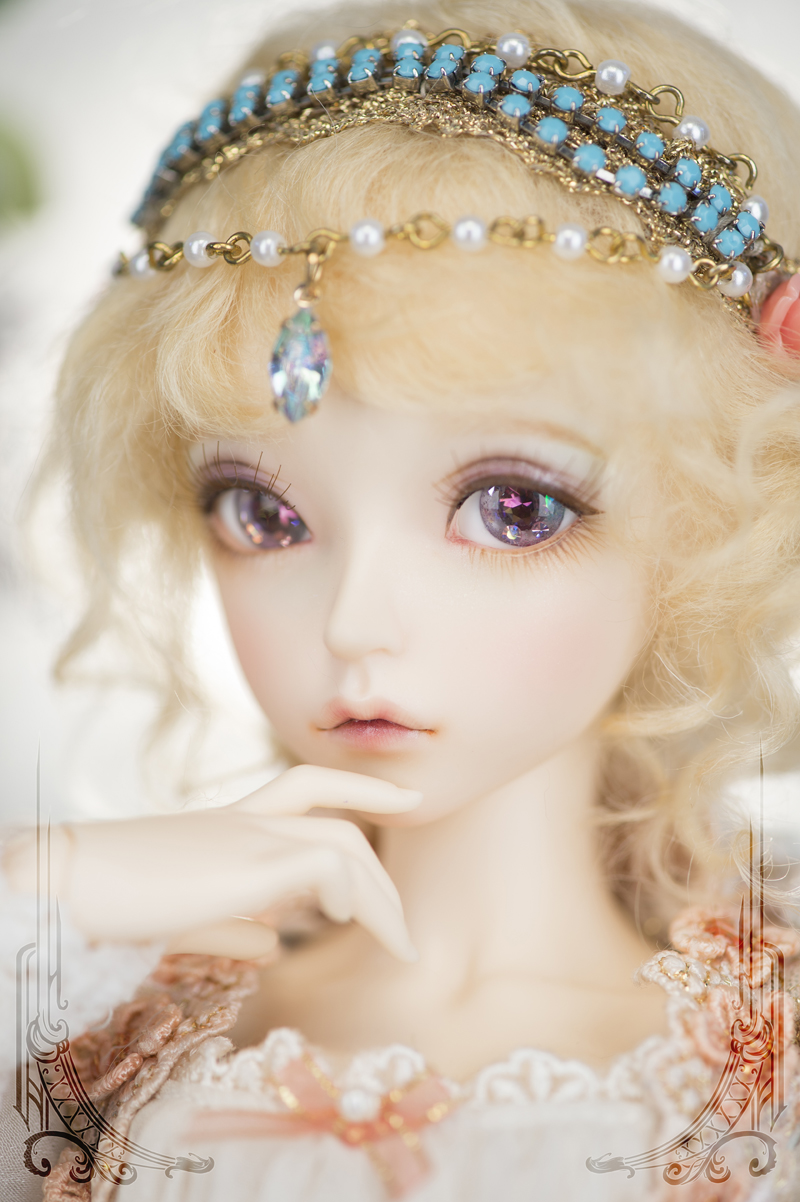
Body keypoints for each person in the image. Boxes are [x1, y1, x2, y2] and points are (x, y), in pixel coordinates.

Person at [3, 0, 800, 1198]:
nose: (352, 622)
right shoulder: (78, 1037)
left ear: (705, 523)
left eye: (512, 507)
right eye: (261, 512)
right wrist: (36, 890)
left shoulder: (757, 1094)